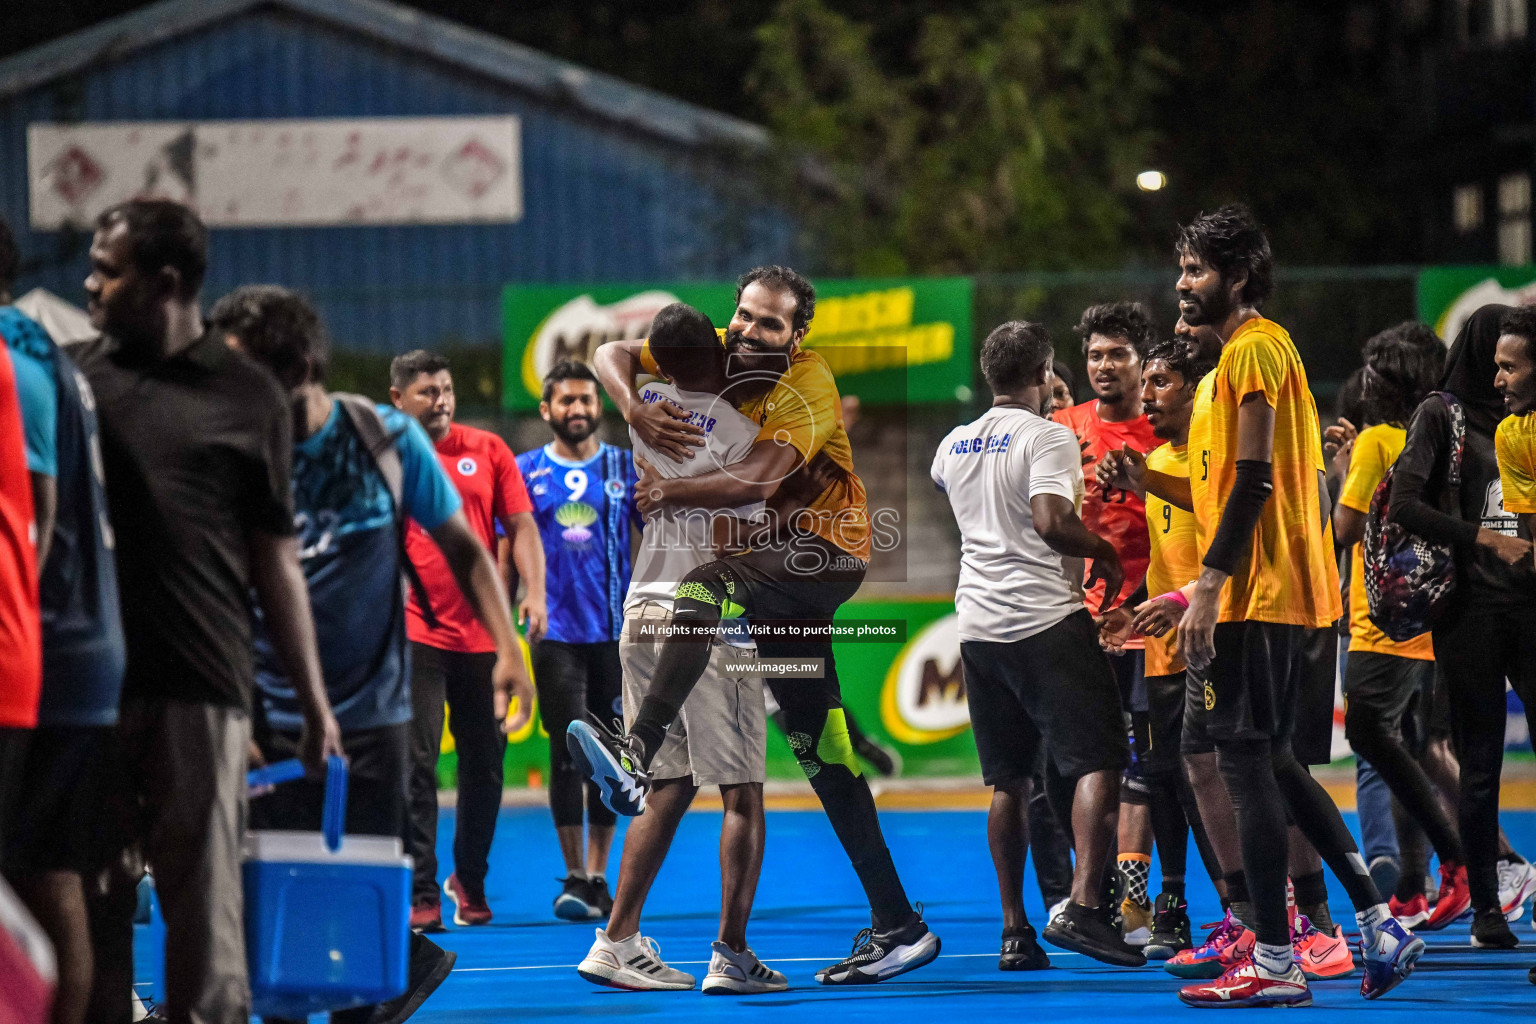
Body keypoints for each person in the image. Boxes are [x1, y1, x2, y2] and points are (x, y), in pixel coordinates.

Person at [572, 265, 940, 985]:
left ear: (797, 335)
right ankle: (900, 925)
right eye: (743, 315)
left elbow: (759, 482)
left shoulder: (807, 383)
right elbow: (610, 354)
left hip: (825, 556)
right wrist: (633, 409)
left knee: (706, 586)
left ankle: (636, 746)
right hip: (775, 594)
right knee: (821, 751)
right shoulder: (716, 348)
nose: (748, 331)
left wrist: (670, 489)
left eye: (769, 323)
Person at [1101, 205, 1421, 1006]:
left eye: (1197, 270)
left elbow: (1253, 482)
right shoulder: (1230, 367)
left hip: (1258, 597)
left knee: (1243, 765)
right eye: (1180, 267)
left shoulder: (1256, 350)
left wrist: (1206, 587)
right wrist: (1163, 518)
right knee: (1267, 760)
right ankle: (1376, 920)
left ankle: (1278, 959)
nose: (1181, 283)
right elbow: (1219, 489)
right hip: (1252, 592)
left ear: (1238, 276)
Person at [213, 286, 536, 1022]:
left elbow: (466, 550)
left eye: (241, 370)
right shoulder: (238, 451)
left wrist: (509, 648)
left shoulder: (383, 439)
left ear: (296, 366)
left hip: (373, 711)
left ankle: (396, 970)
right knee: (279, 935)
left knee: (362, 936)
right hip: (274, 715)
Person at [72, 199, 345, 1024]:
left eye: (106, 269)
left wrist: (313, 701)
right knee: (93, 899)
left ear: (162, 283)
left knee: (203, 913)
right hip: (88, 693)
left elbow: (277, 559)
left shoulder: (248, 397)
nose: (89, 282)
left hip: (202, 687)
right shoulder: (73, 381)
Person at [575, 302, 784, 993]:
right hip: (708, 620)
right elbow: (734, 542)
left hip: (640, 609)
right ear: (719, 356)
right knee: (742, 791)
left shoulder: (651, 403)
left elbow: (610, 352)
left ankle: (616, 939)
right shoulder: (742, 432)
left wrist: (631, 402)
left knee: (664, 782)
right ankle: (731, 954)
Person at [931, 319, 1142, 970]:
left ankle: (1015, 931)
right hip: (1045, 621)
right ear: (1045, 373)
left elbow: (959, 496)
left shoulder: (952, 445)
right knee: (1101, 759)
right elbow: (1052, 522)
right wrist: (1103, 550)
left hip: (978, 631)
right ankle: (1082, 907)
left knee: (1008, 782)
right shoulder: (1047, 436)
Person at [0, 219, 124, 1024]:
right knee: (55, 873)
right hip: (65, 646)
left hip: (42, 649)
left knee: (48, 875)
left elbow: (32, 521)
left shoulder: (14, 358)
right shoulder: (38, 349)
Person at [391, 350, 543, 932]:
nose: (442, 400)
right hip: (415, 633)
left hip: (485, 637)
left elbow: (521, 525)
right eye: (428, 391)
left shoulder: (489, 449)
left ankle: (469, 879)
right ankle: (422, 891)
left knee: (486, 765)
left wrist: (536, 591)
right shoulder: (390, 458)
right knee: (416, 764)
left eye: (448, 389)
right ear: (398, 398)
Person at [1331, 326, 1471, 934]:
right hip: (1433, 620)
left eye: (1373, 369)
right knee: (1415, 750)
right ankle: (1416, 886)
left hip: (1379, 624)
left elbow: (1343, 526)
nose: (1364, 378)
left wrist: (1341, 470)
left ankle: (1467, 861)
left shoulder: (1373, 445)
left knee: (1370, 735)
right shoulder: (1439, 437)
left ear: (1386, 384)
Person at [1096, 337, 1222, 962]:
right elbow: (1169, 563)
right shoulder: (1155, 467)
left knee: (1234, 778)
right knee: (1164, 779)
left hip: (1217, 643)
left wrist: (1180, 603)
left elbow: (1232, 556)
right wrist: (1134, 609)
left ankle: (1270, 913)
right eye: (1144, 383)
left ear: (1198, 390)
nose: (1147, 395)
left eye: (1160, 382)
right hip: (1163, 653)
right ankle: (1166, 906)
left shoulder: (1213, 460)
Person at [1053, 301, 1161, 942]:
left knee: (1148, 767)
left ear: (1142, 363)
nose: (1103, 365)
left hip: (1148, 617)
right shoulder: (1064, 427)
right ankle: (1085, 897)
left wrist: (1135, 607)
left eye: (1117, 354)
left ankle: (1141, 900)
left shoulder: (1165, 427)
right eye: (1094, 354)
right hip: (1081, 619)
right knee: (1085, 763)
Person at [516, 359, 638, 921]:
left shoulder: (624, 467)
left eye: (586, 400)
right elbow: (504, 550)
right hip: (553, 633)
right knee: (566, 751)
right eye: (565, 401)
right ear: (547, 410)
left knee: (611, 754)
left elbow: (657, 536)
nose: (577, 409)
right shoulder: (524, 472)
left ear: (599, 405)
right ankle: (571, 878)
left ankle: (598, 875)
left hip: (615, 632)